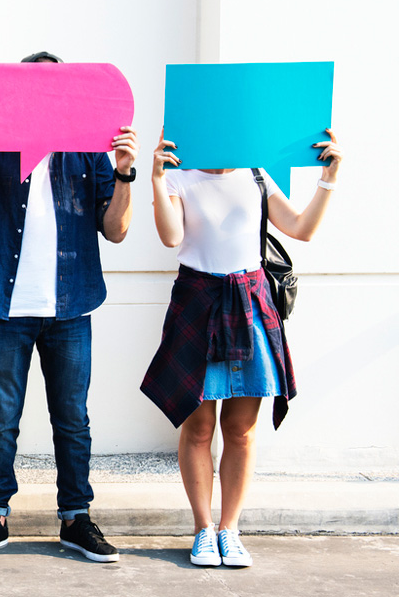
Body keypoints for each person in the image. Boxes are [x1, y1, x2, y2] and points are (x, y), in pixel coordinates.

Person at [0, 51, 138, 564]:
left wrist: (124, 174)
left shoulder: (89, 152)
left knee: (72, 419)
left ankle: (76, 520)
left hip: (71, 307)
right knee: (1, 417)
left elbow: (117, 230)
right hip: (6, 307)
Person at [140, 129, 343, 567]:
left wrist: (329, 177)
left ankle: (230, 529)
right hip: (197, 301)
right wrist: (156, 178)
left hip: (250, 303)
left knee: (241, 430)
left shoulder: (256, 174)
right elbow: (171, 238)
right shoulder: (180, 178)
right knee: (197, 429)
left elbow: (301, 229)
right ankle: (203, 530)